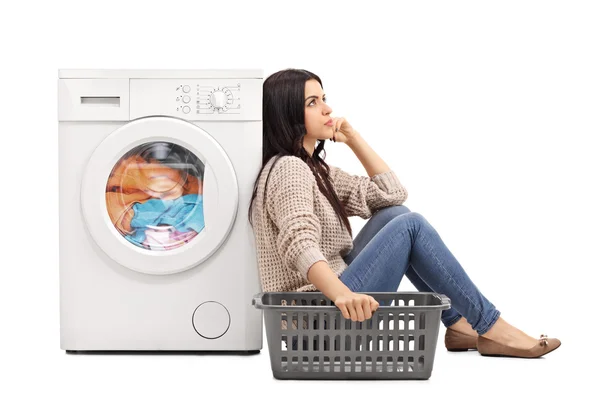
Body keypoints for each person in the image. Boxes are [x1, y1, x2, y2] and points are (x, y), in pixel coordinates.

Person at [248, 68, 561, 358]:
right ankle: (492, 328)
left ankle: (458, 324)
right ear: (287, 115)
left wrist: (354, 139)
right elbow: (299, 244)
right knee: (410, 226)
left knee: (397, 215)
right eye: (313, 103)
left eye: (325, 99)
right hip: (317, 321)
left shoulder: (316, 171)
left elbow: (391, 194)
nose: (328, 109)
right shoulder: (289, 169)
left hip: (329, 307)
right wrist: (342, 294)